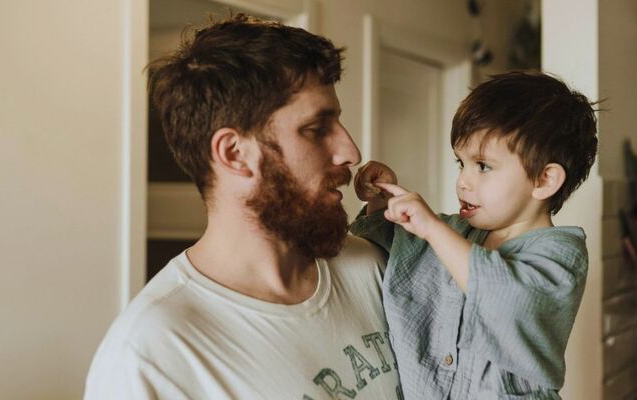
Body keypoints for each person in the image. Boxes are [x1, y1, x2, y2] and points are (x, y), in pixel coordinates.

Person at [85, 14, 401, 399]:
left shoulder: (372, 267)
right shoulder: (149, 357)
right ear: (235, 153)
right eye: (317, 129)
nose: (350, 151)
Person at [350, 71, 598, 399]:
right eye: (460, 163)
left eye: (482, 166)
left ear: (543, 180)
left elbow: (511, 300)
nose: (463, 181)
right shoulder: (453, 232)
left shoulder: (561, 253)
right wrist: (382, 198)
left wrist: (433, 229)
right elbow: (393, 241)